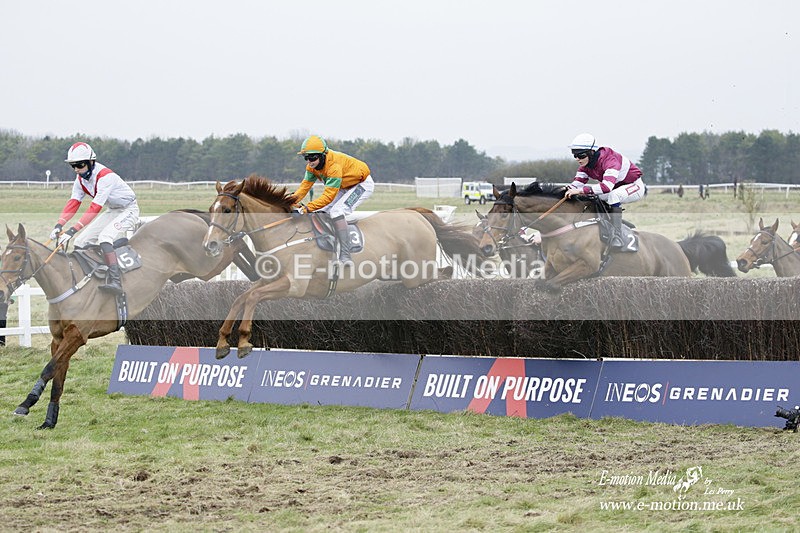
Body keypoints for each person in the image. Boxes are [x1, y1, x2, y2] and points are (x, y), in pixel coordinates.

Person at [49, 142, 139, 294]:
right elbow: (73, 203)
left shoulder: (105, 177)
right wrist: (59, 225)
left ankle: (116, 281)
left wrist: (72, 229)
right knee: (80, 242)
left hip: (128, 210)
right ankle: (92, 275)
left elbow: (95, 208)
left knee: (104, 237)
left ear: (92, 162)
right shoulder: (80, 180)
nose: (77, 170)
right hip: (113, 210)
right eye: (73, 166)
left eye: (80, 165)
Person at [290, 135, 374, 266]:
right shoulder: (311, 168)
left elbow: (328, 196)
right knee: (320, 211)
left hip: (361, 184)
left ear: (323, 155)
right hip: (343, 185)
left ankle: (345, 255)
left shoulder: (334, 166)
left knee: (336, 211)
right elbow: (304, 188)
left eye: (312, 157)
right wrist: (289, 201)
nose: (309, 161)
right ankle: (330, 246)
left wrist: (306, 209)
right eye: (306, 157)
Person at [564, 133, 646, 250]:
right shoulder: (585, 165)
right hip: (615, 187)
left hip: (633, 186)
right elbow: (576, 184)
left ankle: (617, 235)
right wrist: (564, 190)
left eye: (580, 155)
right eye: (574, 155)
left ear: (591, 152)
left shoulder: (610, 160)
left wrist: (580, 190)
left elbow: (606, 187)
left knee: (614, 196)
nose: (577, 159)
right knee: (591, 198)